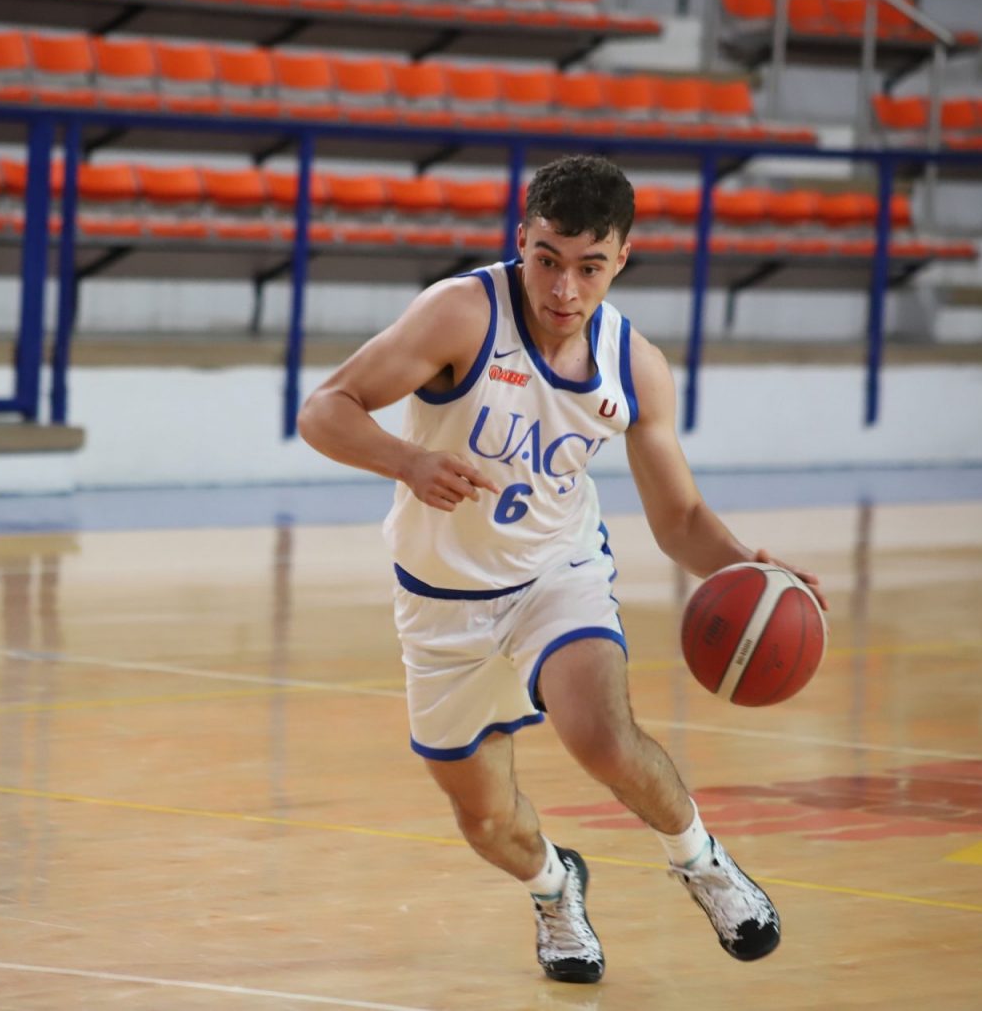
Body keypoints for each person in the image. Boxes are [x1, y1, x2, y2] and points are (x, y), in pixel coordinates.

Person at [298, 155, 827, 983]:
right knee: (484, 819)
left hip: (557, 575)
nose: (564, 289)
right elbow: (324, 408)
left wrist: (751, 574)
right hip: (442, 601)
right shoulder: (461, 314)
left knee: (601, 736)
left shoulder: (634, 365)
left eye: (589, 266)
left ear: (622, 259)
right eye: (547, 260)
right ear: (522, 242)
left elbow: (679, 520)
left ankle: (703, 863)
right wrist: (408, 461)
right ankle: (554, 885)